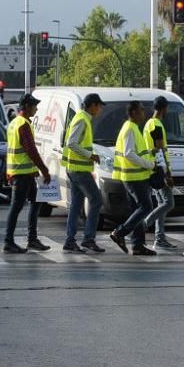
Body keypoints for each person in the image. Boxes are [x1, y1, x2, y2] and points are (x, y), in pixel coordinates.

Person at [108, 100, 157, 256]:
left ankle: (138, 245)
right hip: (134, 177)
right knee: (146, 207)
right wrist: (148, 164)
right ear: (134, 112)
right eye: (141, 110)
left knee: (137, 209)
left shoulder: (132, 128)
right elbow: (129, 153)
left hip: (133, 175)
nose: (144, 113)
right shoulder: (130, 129)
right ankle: (120, 233)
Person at [4, 94, 51, 253]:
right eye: (34, 106)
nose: (36, 109)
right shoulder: (22, 124)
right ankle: (8, 241)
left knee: (36, 202)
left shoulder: (14, 123)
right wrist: (44, 170)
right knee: (16, 207)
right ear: (26, 107)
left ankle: (32, 239)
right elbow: (30, 149)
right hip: (21, 173)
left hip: (25, 172)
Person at [61, 93, 106, 253]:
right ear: (92, 105)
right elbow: (71, 143)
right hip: (79, 170)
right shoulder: (82, 119)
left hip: (75, 169)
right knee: (96, 200)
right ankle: (88, 239)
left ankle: (70, 240)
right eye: (99, 106)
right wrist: (90, 155)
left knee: (76, 205)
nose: (100, 109)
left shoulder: (82, 117)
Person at [142, 96, 176, 250]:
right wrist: (168, 172)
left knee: (162, 203)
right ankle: (143, 224)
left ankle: (159, 238)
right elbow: (160, 148)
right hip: (159, 168)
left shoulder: (148, 124)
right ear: (164, 108)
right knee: (169, 202)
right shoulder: (157, 125)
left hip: (152, 167)